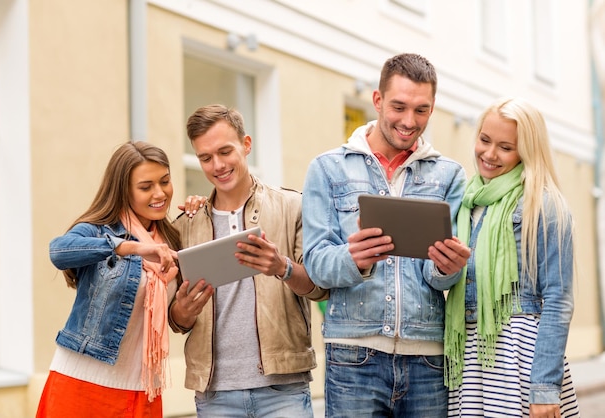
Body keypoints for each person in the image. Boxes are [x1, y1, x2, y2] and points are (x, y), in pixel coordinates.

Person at [302, 52, 472, 417]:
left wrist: (448, 268)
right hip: (352, 356)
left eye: (422, 110)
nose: (409, 122)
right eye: (399, 107)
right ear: (377, 100)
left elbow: (442, 278)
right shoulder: (327, 169)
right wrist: (353, 261)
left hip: (428, 358)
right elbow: (315, 263)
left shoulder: (450, 176)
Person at [169, 104, 328, 418]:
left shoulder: (292, 206)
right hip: (215, 394)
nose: (217, 165)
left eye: (225, 151)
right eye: (205, 157)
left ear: (246, 144)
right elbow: (176, 321)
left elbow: (318, 288)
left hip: (284, 389)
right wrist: (182, 312)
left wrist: (280, 267)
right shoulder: (185, 224)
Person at [444, 97, 581, 417]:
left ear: (527, 151)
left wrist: (544, 389)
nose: (489, 154)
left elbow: (559, 299)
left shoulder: (544, 204)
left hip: (519, 358)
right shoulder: (466, 201)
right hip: (470, 356)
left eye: (505, 147)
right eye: (484, 140)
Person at [36, 141, 181, 418]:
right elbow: (59, 250)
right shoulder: (99, 230)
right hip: (83, 383)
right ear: (123, 190)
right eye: (146, 186)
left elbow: (177, 318)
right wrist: (132, 247)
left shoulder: (172, 239)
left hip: (144, 389)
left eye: (165, 181)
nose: (160, 193)